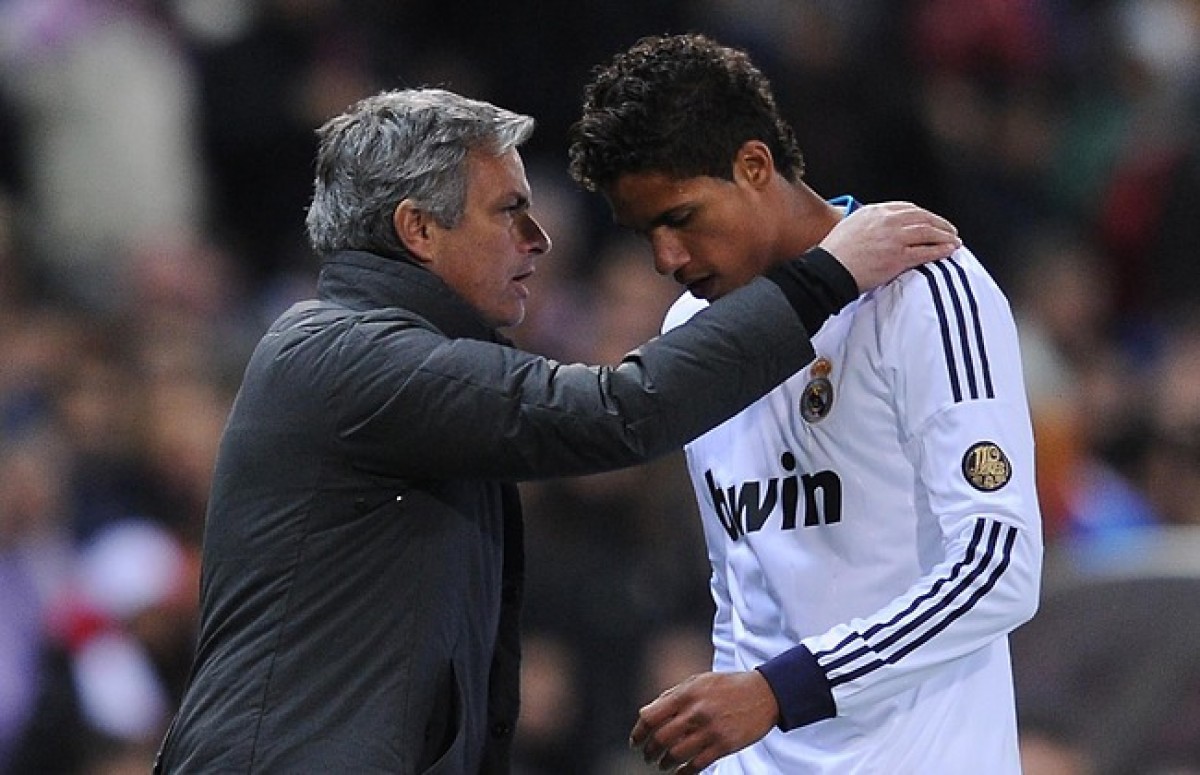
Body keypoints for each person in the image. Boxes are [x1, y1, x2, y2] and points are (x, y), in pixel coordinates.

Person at [152, 87, 959, 774]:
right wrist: (824, 277)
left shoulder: (391, 360)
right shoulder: (345, 354)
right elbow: (617, 410)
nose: (539, 239)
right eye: (510, 211)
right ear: (418, 229)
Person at [569, 33, 1042, 774]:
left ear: (755, 166)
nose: (666, 259)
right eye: (645, 233)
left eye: (681, 217)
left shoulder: (925, 291)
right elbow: (742, 585)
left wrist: (783, 689)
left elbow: (998, 564)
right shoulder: (690, 329)